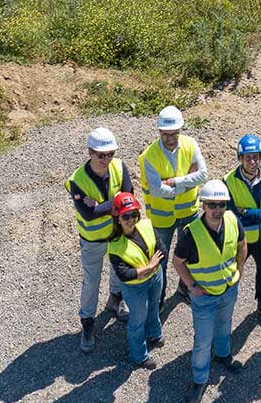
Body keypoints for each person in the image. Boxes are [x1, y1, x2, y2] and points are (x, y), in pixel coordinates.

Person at [172, 180, 248, 403]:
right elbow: (177, 262)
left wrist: (239, 272)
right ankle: (199, 379)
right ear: (203, 205)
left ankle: (223, 355)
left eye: (222, 205)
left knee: (225, 325)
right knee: (203, 339)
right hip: (204, 297)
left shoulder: (233, 221)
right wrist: (191, 286)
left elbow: (243, 244)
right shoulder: (191, 233)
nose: (217, 210)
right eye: (212, 205)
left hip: (228, 289)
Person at [65, 127, 131, 353]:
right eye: (101, 155)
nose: (106, 159)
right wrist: (115, 203)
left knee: (117, 271)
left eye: (110, 154)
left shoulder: (120, 167)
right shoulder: (77, 180)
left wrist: (103, 205)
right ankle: (87, 323)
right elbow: (87, 214)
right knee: (91, 282)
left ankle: (115, 299)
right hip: (92, 240)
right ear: (90, 152)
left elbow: (128, 199)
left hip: (116, 234)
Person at [138, 105, 208, 310]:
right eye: (166, 134)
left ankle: (184, 288)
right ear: (159, 132)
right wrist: (189, 184)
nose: (171, 138)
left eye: (174, 133)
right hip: (162, 219)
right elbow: (157, 190)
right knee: (161, 260)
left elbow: (203, 175)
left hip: (189, 212)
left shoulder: (190, 145)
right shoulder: (149, 156)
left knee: (190, 253)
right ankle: (158, 299)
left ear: (180, 130)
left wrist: (177, 181)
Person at [224, 134, 261, 331]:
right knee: (232, 271)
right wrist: (260, 212)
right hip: (241, 240)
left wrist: (246, 212)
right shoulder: (229, 181)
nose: (252, 161)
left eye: (256, 156)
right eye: (248, 157)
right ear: (240, 158)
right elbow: (231, 217)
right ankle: (224, 309)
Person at [105, 192, 164, 369]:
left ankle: (154, 333)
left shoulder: (146, 225)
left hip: (155, 277)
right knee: (138, 319)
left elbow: (162, 249)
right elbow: (125, 275)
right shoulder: (115, 246)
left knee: (154, 306)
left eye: (134, 214)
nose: (131, 219)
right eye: (126, 216)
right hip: (135, 288)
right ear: (118, 219)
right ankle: (139, 355)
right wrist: (150, 266)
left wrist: (148, 269)